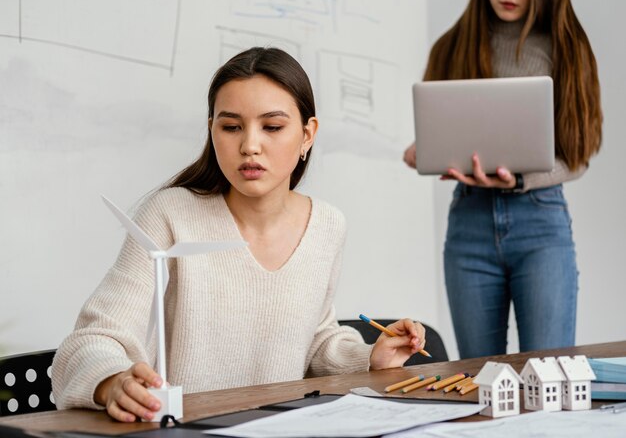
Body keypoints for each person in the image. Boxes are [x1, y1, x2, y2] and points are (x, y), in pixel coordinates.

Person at [52, 47, 427, 422]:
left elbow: (314, 343)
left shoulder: (327, 224)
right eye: (230, 127)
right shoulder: (170, 215)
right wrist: (112, 381)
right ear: (212, 128)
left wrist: (369, 357)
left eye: (273, 127)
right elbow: (92, 340)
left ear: (307, 134)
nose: (249, 146)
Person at [403, 0, 602, 359]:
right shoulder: (450, 47)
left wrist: (522, 180)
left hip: (541, 222)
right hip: (469, 225)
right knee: (482, 379)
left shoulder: (567, 50)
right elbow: (441, 131)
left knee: (548, 377)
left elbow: (578, 156)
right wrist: (425, 151)